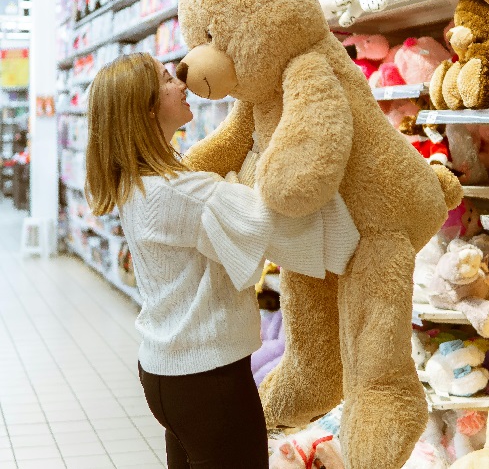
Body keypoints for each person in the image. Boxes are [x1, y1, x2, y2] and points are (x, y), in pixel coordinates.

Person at [85, 52, 359, 469]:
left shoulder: (141, 183)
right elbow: (266, 218)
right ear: (147, 106)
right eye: (166, 79)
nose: (181, 83)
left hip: (169, 373)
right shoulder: (178, 192)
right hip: (208, 381)